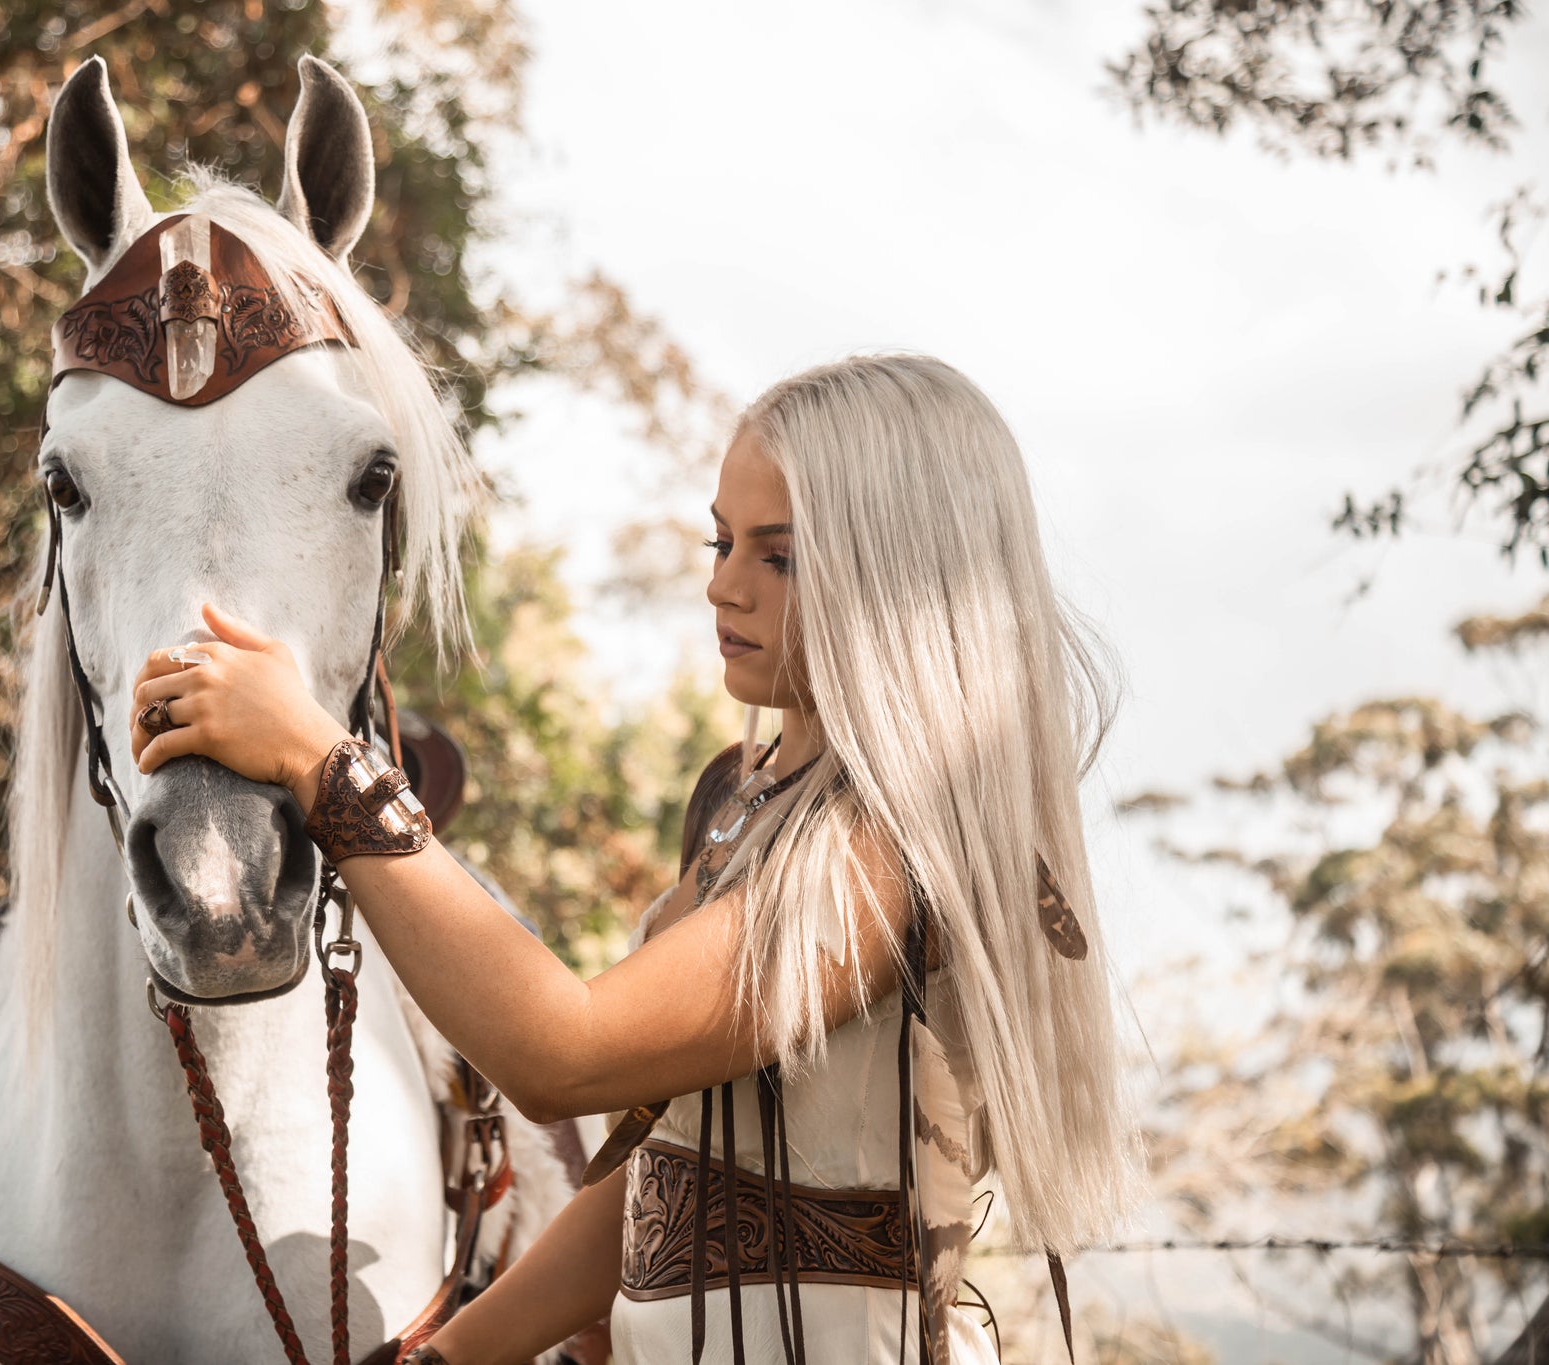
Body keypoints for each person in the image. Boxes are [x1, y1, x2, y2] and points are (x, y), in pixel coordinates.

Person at [126, 353, 1140, 1364]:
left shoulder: (886, 849)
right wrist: (444, 1361)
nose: (720, 584)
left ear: (899, 580)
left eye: (776, 558)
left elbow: (565, 1056)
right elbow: (667, 1178)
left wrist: (319, 764)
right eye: (721, 539)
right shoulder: (745, 804)